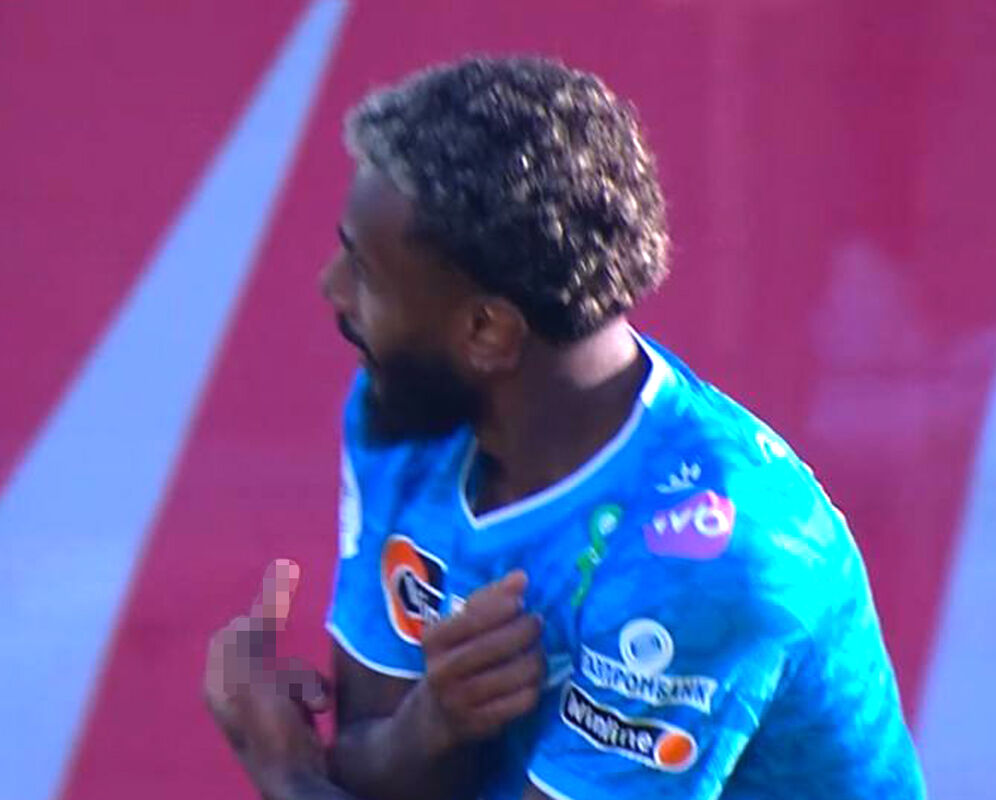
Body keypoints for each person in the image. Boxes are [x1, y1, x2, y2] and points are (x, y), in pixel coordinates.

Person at [204, 56, 926, 800]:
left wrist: (280, 767)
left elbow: (327, 782)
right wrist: (432, 725)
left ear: (486, 332)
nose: (331, 289)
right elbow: (370, 769)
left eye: (364, 273)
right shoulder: (407, 416)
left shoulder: (704, 557)